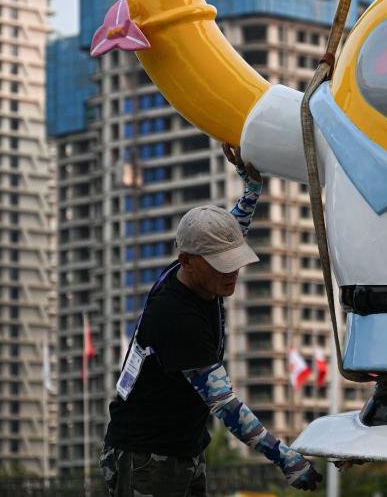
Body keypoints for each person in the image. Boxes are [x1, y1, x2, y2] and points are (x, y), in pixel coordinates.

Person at [101, 144, 322, 495]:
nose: (232, 272)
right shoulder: (176, 318)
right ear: (187, 262)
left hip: (185, 447)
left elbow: (233, 229)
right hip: (145, 457)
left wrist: (251, 188)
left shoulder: (200, 271)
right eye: (221, 265)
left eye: (235, 260)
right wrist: (284, 458)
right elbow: (225, 405)